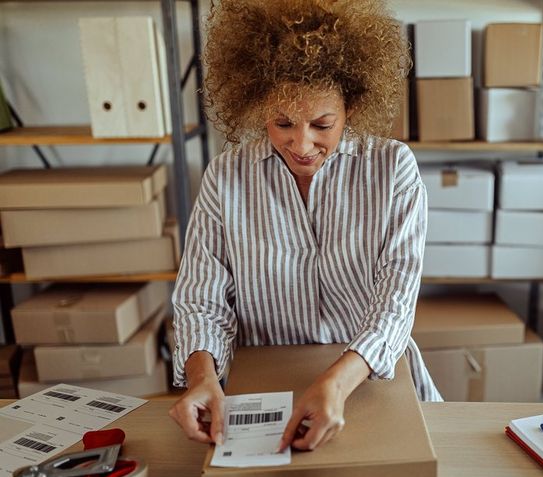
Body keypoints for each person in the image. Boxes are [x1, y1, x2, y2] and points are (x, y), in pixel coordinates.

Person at [168, 0, 442, 453]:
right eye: (282, 123)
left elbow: (396, 302)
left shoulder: (393, 170)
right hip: (264, 389)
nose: (302, 144)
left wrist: (337, 382)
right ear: (257, 104)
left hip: (367, 379)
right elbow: (202, 299)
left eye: (322, 124)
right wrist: (201, 376)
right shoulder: (226, 177)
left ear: (351, 104)